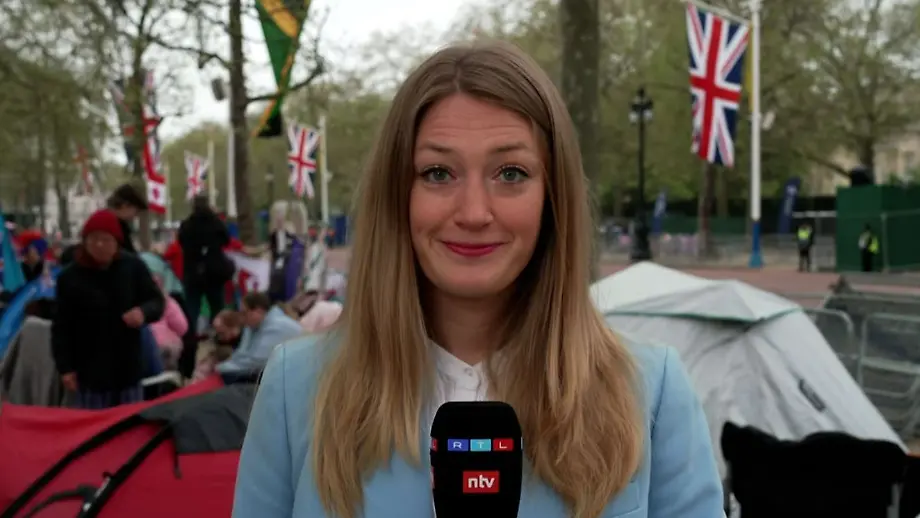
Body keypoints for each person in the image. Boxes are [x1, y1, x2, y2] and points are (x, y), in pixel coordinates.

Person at [233, 42, 721, 518]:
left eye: (510, 173)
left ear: (553, 197)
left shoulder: (651, 390)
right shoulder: (296, 387)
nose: (473, 212)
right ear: (397, 195)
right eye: (438, 173)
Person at [51, 209, 165, 409]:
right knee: (95, 425)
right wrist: (65, 368)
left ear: (116, 242)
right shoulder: (69, 278)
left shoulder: (133, 267)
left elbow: (157, 301)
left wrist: (143, 312)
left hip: (127, 367)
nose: (99, 245)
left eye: (106, 240)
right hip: (89, 370)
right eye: (93, 239)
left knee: (129, 423)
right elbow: (61, 326)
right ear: (84, 241)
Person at [178, 195, 232, 355]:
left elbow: (181, 242)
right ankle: (219, 335)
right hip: (214, 273)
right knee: (217, 306)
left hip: (193, 272)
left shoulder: (187, 225)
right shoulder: (216, 223)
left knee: (192, 307)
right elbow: (227, 240)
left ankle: (190, 338)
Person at [215, 291, 301, 383]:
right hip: (275, 373)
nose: (241, 318)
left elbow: (256, 362)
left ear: (258, 311)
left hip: (291, 376)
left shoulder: (277, 326)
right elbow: (242, 353)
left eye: (244, 313)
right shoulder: (254, 325)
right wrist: (223, 366)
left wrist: (219, 368)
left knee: (230, 377)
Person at [148, 274, 189, 370]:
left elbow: (182, 328)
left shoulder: (168, 303)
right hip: (152, 349)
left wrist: (168, 306)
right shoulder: (136, 305)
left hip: (167, 349)